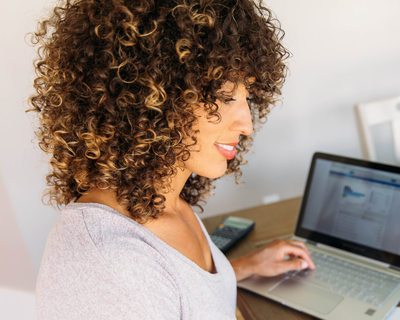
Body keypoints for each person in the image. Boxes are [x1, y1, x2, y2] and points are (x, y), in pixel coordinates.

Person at [29, 0, 315, 318]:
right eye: (224, 97)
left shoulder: (163, 201)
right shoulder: (112, 267)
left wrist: (242, 268)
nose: (246, 125)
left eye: (246, 97)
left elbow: (178, 294)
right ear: (148, 96)